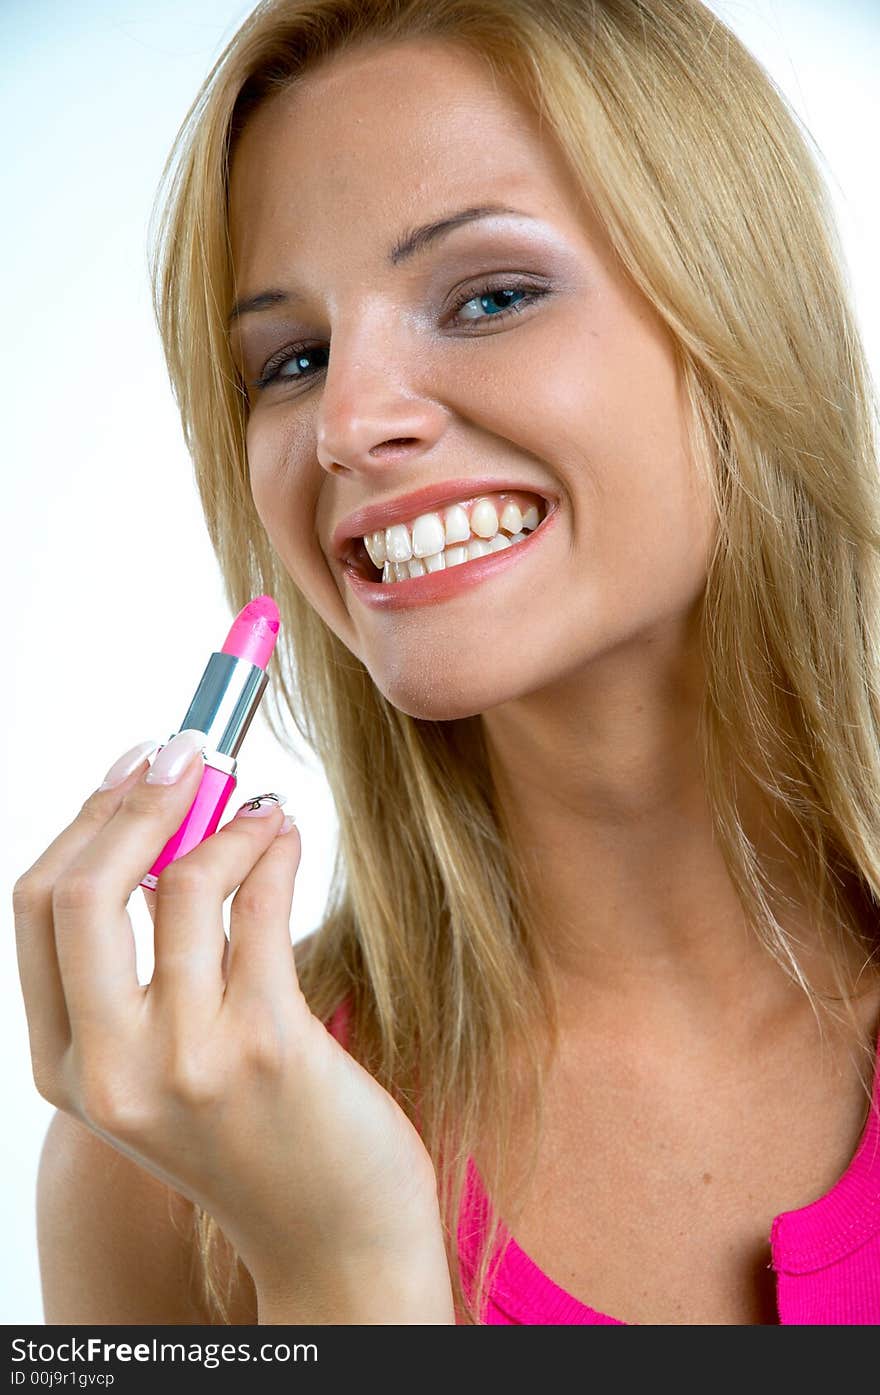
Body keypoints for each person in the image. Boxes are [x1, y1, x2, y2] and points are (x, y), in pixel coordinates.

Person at [13, 0, 880, 1326]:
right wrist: (342, 1280)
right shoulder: (167, 1171)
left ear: (738, 315)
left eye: (490, 295)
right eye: (289, 361)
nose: (349, 425)